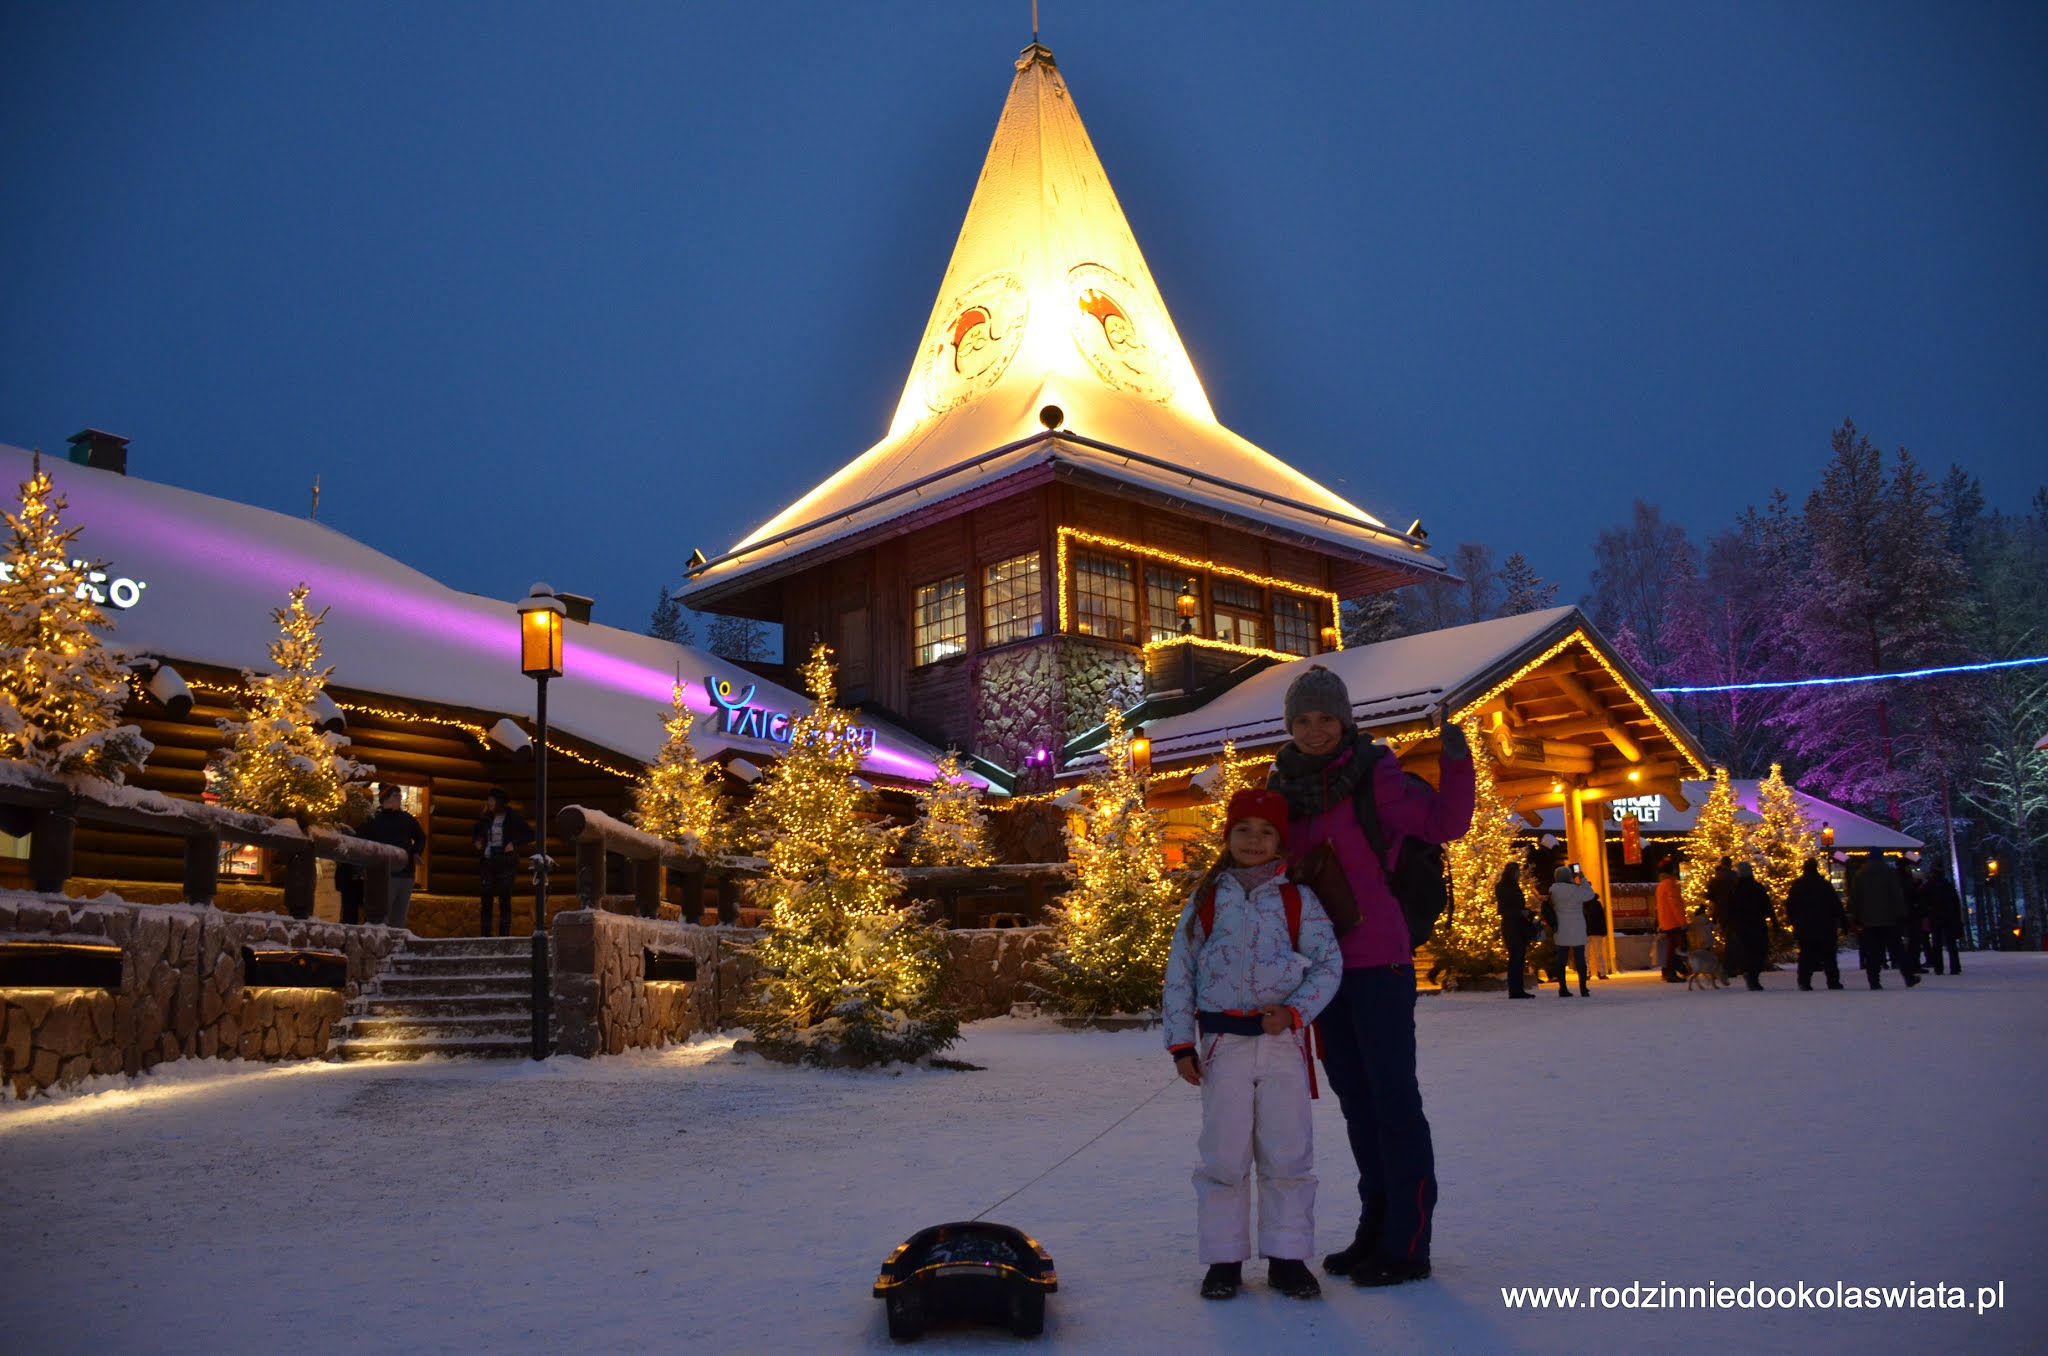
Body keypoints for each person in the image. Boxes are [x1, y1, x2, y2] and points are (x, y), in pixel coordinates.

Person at [1267, 665, 1473, 1288]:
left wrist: (1456, 761)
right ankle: (1373, 1229)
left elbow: (1445, 825)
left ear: (1346, 720)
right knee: (1356, 1103)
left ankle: (1408, 1243)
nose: (1315, 729)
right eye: (1303, 720)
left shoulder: (1378, 777)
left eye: (1326, 718)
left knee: (1393, 1101)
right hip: (1321, 972)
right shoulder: (1283, 790)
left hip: (1379, 960)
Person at [1163, 789, 1342, 1302]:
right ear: (1228, 837)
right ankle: (1224, 1259)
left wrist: (1295, 1011)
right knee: (1223, 1153)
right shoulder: (1207, 901)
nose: (1254, 840)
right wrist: (1181, 1044)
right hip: (1222, 1046)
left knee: (1287, 1152)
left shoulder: (1298, 900)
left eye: (1266, 832)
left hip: (1283, 1043)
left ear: (1280, 841)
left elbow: (1328, 963)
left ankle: (1288, 1258)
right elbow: (1181, 973)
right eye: (1244, 830)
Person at [1847, 854, 1919, 990]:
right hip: (1889, 918)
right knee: (1897, 949)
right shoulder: (1889, 873)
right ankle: (1908, 976)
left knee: (1872, 952)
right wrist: (1901, 914)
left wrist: (1855, 917)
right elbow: (1896, 895)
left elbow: (1855, 898)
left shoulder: (1860, 875)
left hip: (1868, 919)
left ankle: (1874, 981)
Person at [360, 784, 426, 931]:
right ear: (386, 798)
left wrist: (416, 853)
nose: (400, 798)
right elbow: (364, 842)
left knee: (400, 915)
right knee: (383, 913)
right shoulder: (375, 819)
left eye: (400, 795)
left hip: (407, 873)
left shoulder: (407, 819)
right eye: (396, 796)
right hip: (385, 874)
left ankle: (397, 945)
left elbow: (421, 837)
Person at [472, 788, 534, 936]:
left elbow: (530, 834)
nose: (489, 803)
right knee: (486, 896)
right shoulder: (486, 818)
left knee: (504, 897)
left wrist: (514, 843)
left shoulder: (512, 818)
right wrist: (477, 841)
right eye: (489, 800)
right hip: (488, 861)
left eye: (492, 800)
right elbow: (475, 832)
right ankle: (485, 935)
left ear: (499, 802)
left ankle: (504, 935)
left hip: (506, 862)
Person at [1784, 859, 1846, 990]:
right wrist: (1842, 921)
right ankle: (1833, 981)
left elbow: (1790, 905)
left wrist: (1793, 920)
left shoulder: (1798, 885)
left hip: (1805, 926)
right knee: (1829, 955)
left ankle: (1804, 981)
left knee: (1806, 955)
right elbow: (1835, 905)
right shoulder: (1824, 885)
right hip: (1825, 925)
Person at [1726, 862, 1774, 991]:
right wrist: (1773, 920)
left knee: (1746, 951)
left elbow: (1730, 908)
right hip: (1757, 924)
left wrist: (1730, 924)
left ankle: (1748, 972)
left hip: (1741, 925)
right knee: (1758, 951)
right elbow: (1767, 905)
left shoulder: (1735, 889)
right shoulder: (1756, 887)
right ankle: (1753, 976)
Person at [1547, 866, 1593, 997]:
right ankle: (1583, 988)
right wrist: (1582, 878)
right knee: (1580, 958)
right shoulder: (1576, 890)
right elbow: (1590, 894)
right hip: (1577, 926)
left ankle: (1563, 988)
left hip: (1561, 927)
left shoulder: (1553, 891)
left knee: (1561, 958)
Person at [1494, 861, 1536, 999]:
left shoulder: (1509, 886)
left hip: (1516, 924)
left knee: (1518, 956)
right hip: (1512, 925)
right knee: (1516, 957)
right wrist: (1520, 912)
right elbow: (1504, 909)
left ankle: (1517, 988)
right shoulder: (1506, 887)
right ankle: (1516, 989)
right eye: (1517, 872)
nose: (1519, 875)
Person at [1923, 866, 1965, 975]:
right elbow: (1955, 903)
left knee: (1937, 943)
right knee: (1951, 943)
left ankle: (1938, 967)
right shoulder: (1948, 886)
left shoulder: (1928, 887)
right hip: (1949, 917)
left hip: (1935, 917)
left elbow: (1924, 902)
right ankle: (1955, 967)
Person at [1656, 861, 1688, 982]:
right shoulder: (1670, 884)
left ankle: (1668, 971)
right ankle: (1671, 972)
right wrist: (1682, 921)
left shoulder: (1661, 885)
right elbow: (1675, 904)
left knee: (1670, 948)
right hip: (1673, 922)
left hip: (1666, 921)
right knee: (1674, 949)